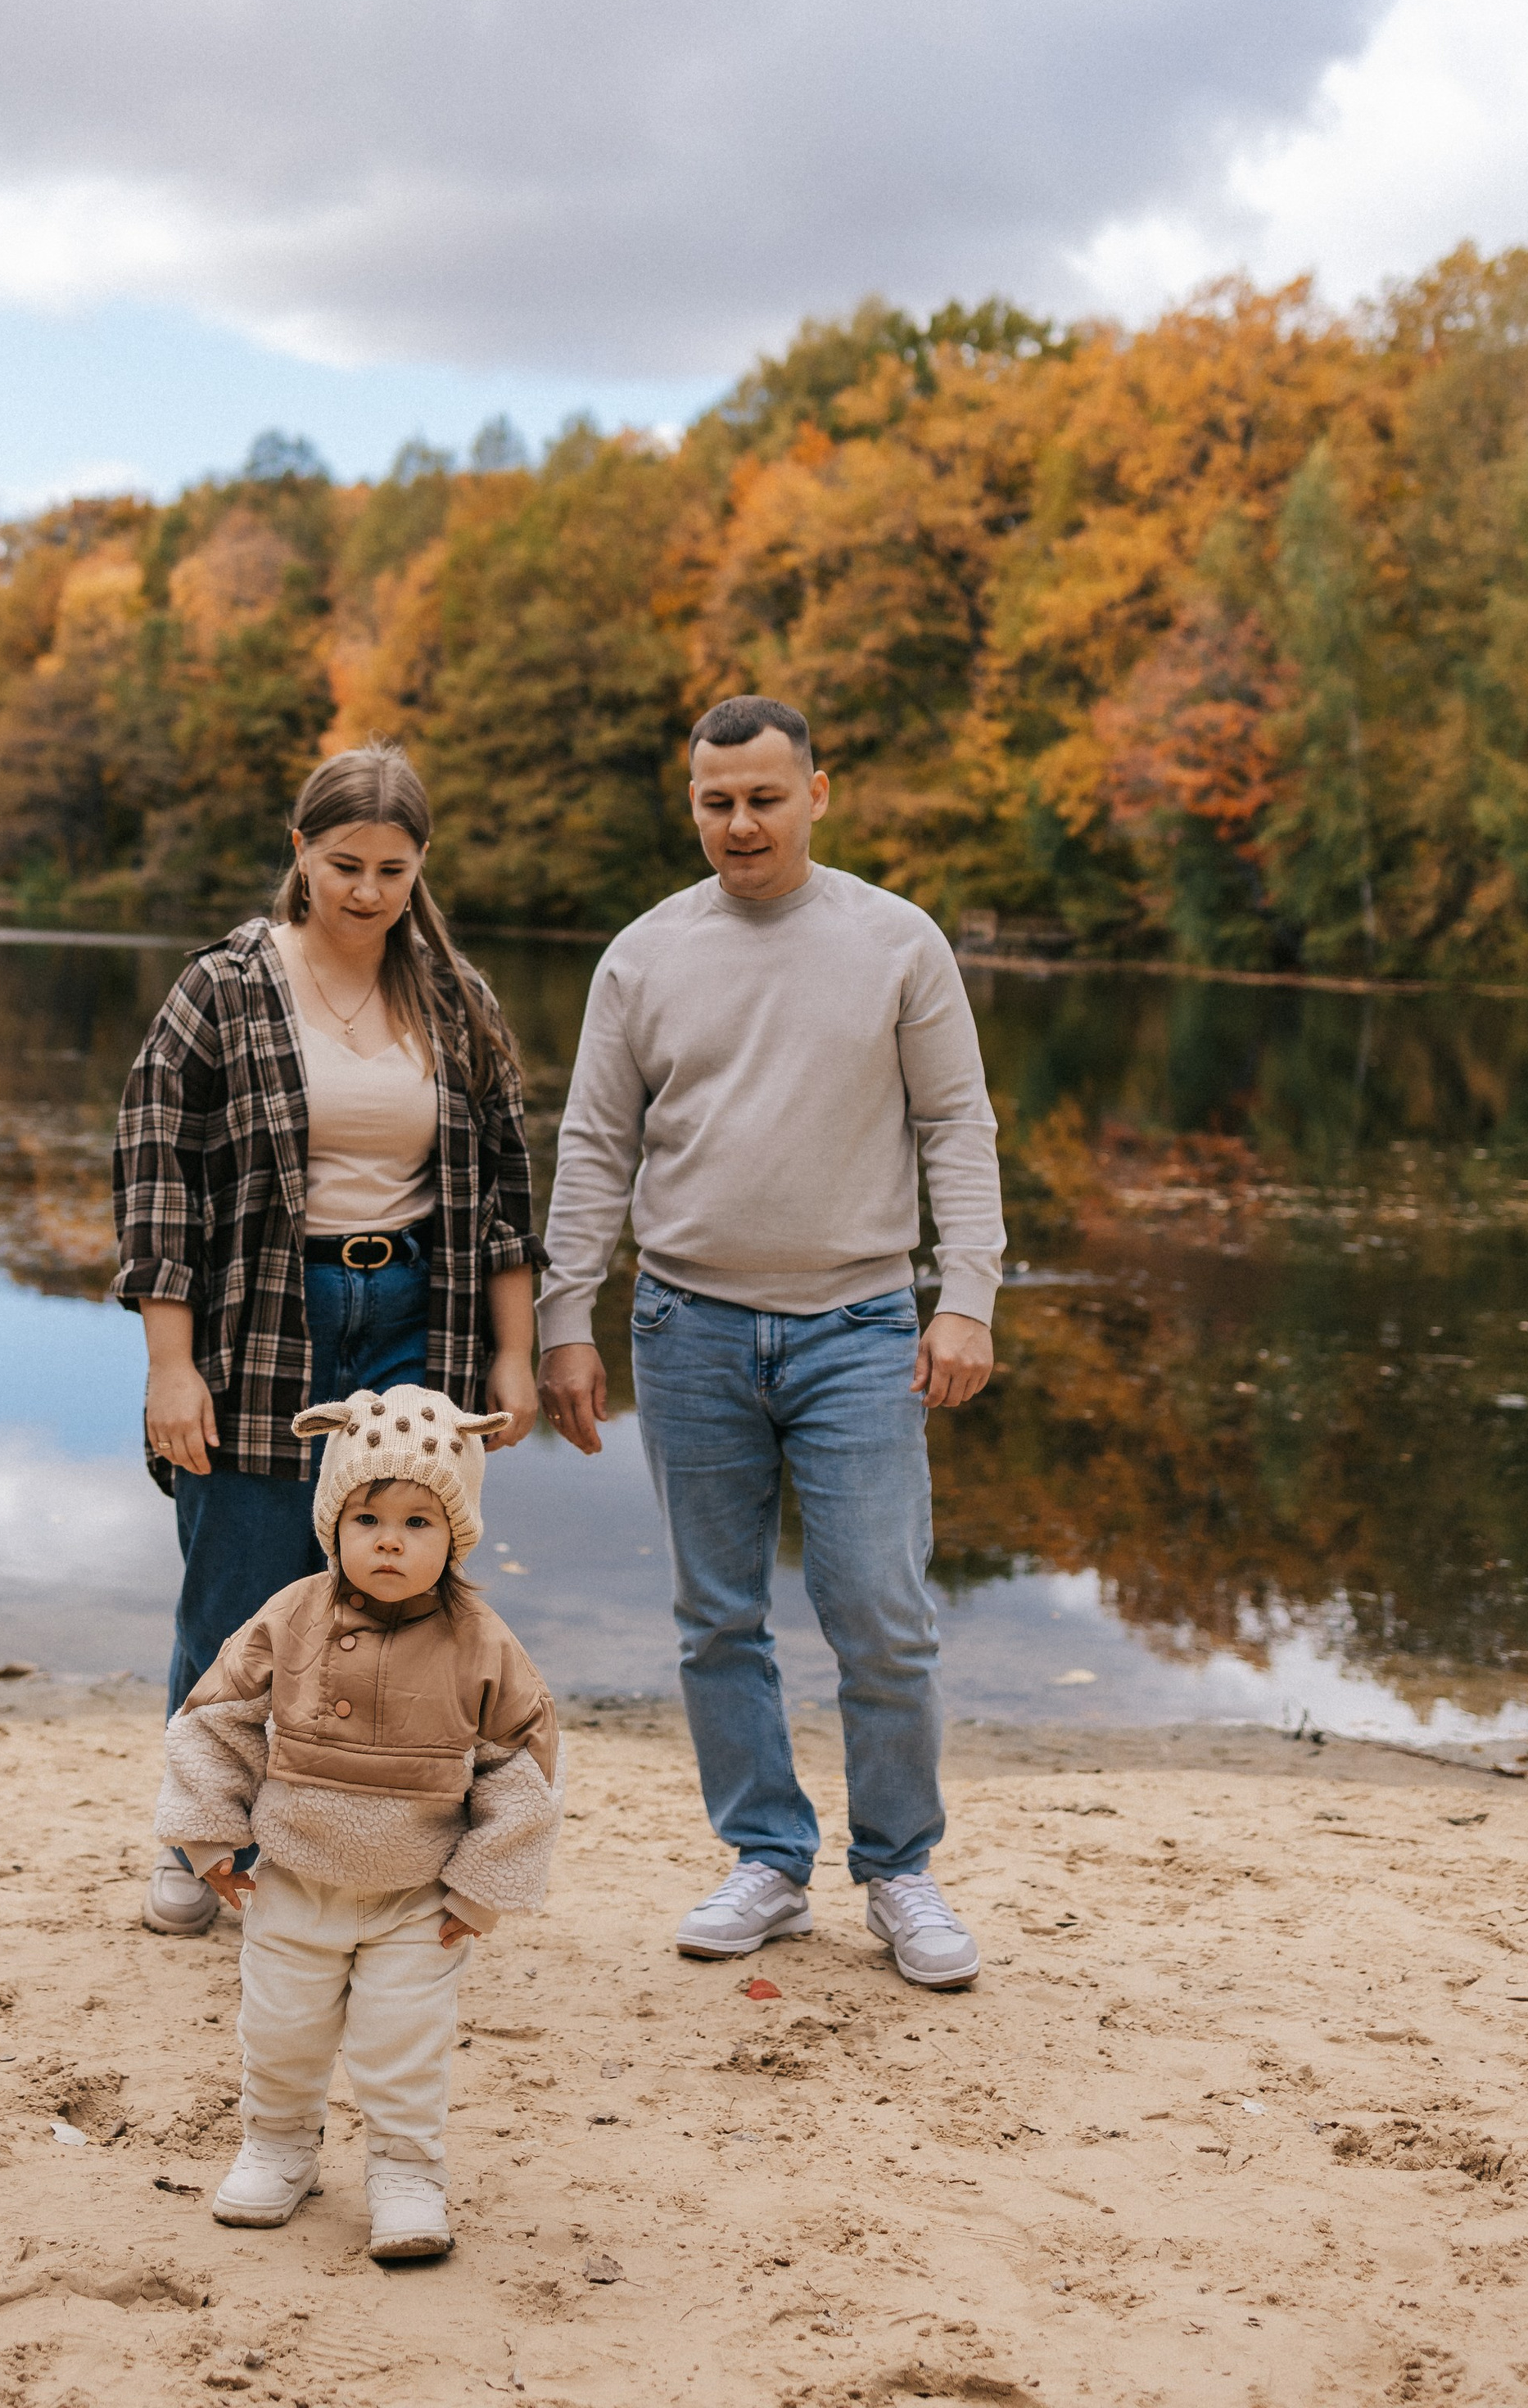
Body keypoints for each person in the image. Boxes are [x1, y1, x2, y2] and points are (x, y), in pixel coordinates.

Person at [536, 695, 1005, 1989]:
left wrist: (966, 1295)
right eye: (715, 802)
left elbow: (957, 1126)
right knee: (716, 1617)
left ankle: (901, 1870)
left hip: (860, 1323)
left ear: (817, 793)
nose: (740, 824)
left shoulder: (896, 942)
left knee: (882, 1610)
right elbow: (594, 1146)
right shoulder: (642, 956)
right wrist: (563, 1316)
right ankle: (768, 1860)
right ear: (691, 805)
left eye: (764, 798)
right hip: (687, 1324)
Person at [115, 739, 543, 1940]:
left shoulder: (458, 1001)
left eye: (393, 869)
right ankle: (199, 1841)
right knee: (239, 1593)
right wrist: (169, 1361)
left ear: (422, 869)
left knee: (398, 1596)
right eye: (344, 864)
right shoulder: (225, 987)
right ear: (299, 851)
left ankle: (368, 1849)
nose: (366, 891)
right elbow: (155, 1183)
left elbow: (506, 1193)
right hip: (261, 1316)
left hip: (418, 1316)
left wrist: (513, 1354)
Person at [156, 1384, 563, 2260]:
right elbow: (216, 1718)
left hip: (416, 1899)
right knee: (280, 2031)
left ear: (455, 1535)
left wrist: (481, 1887)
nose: (388, 1539)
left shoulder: (480, 1643)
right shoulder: (292, 1616)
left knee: (400, 2047)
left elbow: (520, 1770)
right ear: (331, 1522)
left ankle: (406, 2171)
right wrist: (210, 1837)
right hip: (295, 1881)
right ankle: (277, 2146)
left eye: (419, 1523)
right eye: (367, 1516)